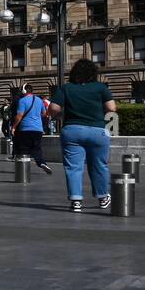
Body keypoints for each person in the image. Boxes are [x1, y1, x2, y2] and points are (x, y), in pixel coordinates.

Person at [50, 58, 116, 212]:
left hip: (72, 130)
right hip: (97, 131)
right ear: (93, 73)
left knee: (73, 167)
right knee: (99, 165)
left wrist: (58, 116)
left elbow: (53, 108)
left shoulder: (66, 88)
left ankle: (76, 201)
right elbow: (112, 108)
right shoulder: (101, 87)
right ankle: (102, 197)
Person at [12, 83, 52, 174]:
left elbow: (19, 116)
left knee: (24, 149)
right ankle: (41, 162)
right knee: (37, 148)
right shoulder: (39, 100)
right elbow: (44, 114)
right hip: (38, 129)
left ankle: (23, 171)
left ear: (24, 91)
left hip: (25, 129)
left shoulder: (22, 101)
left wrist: (13, 127)